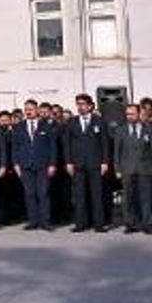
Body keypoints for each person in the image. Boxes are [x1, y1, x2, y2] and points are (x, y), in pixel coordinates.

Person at [64, 94, 110, 233]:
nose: (80, 106)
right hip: (77, 164)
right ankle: (80, 223)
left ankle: (99, 224)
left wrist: (105, 162)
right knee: (79, 195)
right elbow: (67, 144)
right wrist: (68, 162)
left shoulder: (99, 121)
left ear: (90, 106)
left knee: (96, 195)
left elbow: (105, 143)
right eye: (78, 103)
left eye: (83, 103)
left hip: (95, 164)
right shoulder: (72, 122)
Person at [12, 100, 56, 231]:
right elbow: (15, 148)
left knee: (43, 193)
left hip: (43, 165)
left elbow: (52, 146)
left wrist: (53, 164)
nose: (28, 111)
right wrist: (16, 164)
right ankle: (33, 221)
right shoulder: (19, 126)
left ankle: (45, 221)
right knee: (29, 194)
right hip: (25, 165)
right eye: (26, 109)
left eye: (31, 108)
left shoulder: (46, 125)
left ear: (37, 109)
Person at [112, 104, 152, 234]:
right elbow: (117, 152)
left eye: (132, 114)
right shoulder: (120, 130)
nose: (129, 116)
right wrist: (117, 169)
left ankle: (147, 223)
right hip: (127, 169)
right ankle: (130, 224)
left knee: (146, 198)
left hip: (145, 169)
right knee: (128, 198)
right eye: (127, 114)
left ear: (139, 113)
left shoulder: (148, 129)